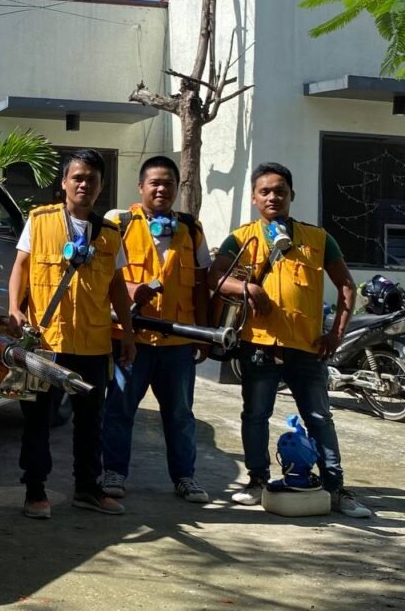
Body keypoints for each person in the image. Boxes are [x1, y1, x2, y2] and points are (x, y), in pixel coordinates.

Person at [209, 162, 372, 518]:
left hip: (308, 347)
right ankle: (256, 480)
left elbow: (345, 283)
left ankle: (335, 488)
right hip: (259, 345)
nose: (273, 197)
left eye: (280, 190)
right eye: (265, 191)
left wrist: (336, 333)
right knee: (255, 415)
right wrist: (248, 286)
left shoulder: (318, 238)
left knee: (319, 417)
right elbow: (216, 277)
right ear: (254, 198)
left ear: (291, 196)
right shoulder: (242, 237)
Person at [8, 149, 137, 519]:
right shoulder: (40, 219)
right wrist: (14, 309)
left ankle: (87, 489)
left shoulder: (110, 234)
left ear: (101, 186)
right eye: (77, 177)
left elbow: (116, 286)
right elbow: (20, 266)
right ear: (64, 182)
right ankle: (35, 490)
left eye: (92, 179)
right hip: (46, 342)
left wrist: (126, 334)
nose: (84, 184)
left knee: (90, 421)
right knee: (38, 419)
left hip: (93, 343)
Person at [101, 156, 212, 504]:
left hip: (177, 342)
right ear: (141, 187)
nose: (162, 189)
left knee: (180, 415)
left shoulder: (191, 229)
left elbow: (200, 284)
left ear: (178, 188)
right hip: (129, 339)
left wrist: (203, 333)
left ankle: (185, 477)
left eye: (169, 183)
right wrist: (131, 289)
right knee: (119, 409)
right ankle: (114, 472)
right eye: (155, 183)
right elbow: (100, 276)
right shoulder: (118, 223)